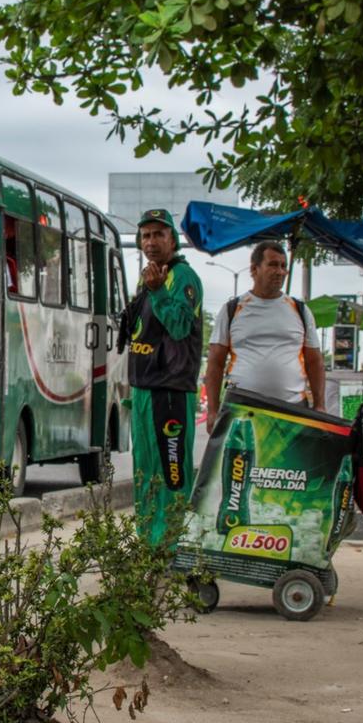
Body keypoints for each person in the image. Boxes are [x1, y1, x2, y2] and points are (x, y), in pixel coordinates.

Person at [116, 207, 204, 544]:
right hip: (144, 391)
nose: (151, 242)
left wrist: (159, 292)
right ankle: (148, 544)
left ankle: (170, 546)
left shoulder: (181, 278)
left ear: (173, 240)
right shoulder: (148, 276)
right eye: (146, 235)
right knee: (145, 474)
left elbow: (180, 327)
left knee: (170, 474)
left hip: (170, 393)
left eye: (158, 234)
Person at [203, 240, 326, 433]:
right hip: (243, 410)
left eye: (283, 266)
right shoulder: (232, 309)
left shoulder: (300, 310)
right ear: (254, 269)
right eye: (273, 265)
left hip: (292, 409)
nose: (280, 272)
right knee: (241, 463)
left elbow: (314, 361)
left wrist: (320, 405)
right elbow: (215, 362)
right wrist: (212, 409)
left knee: (289, 464)